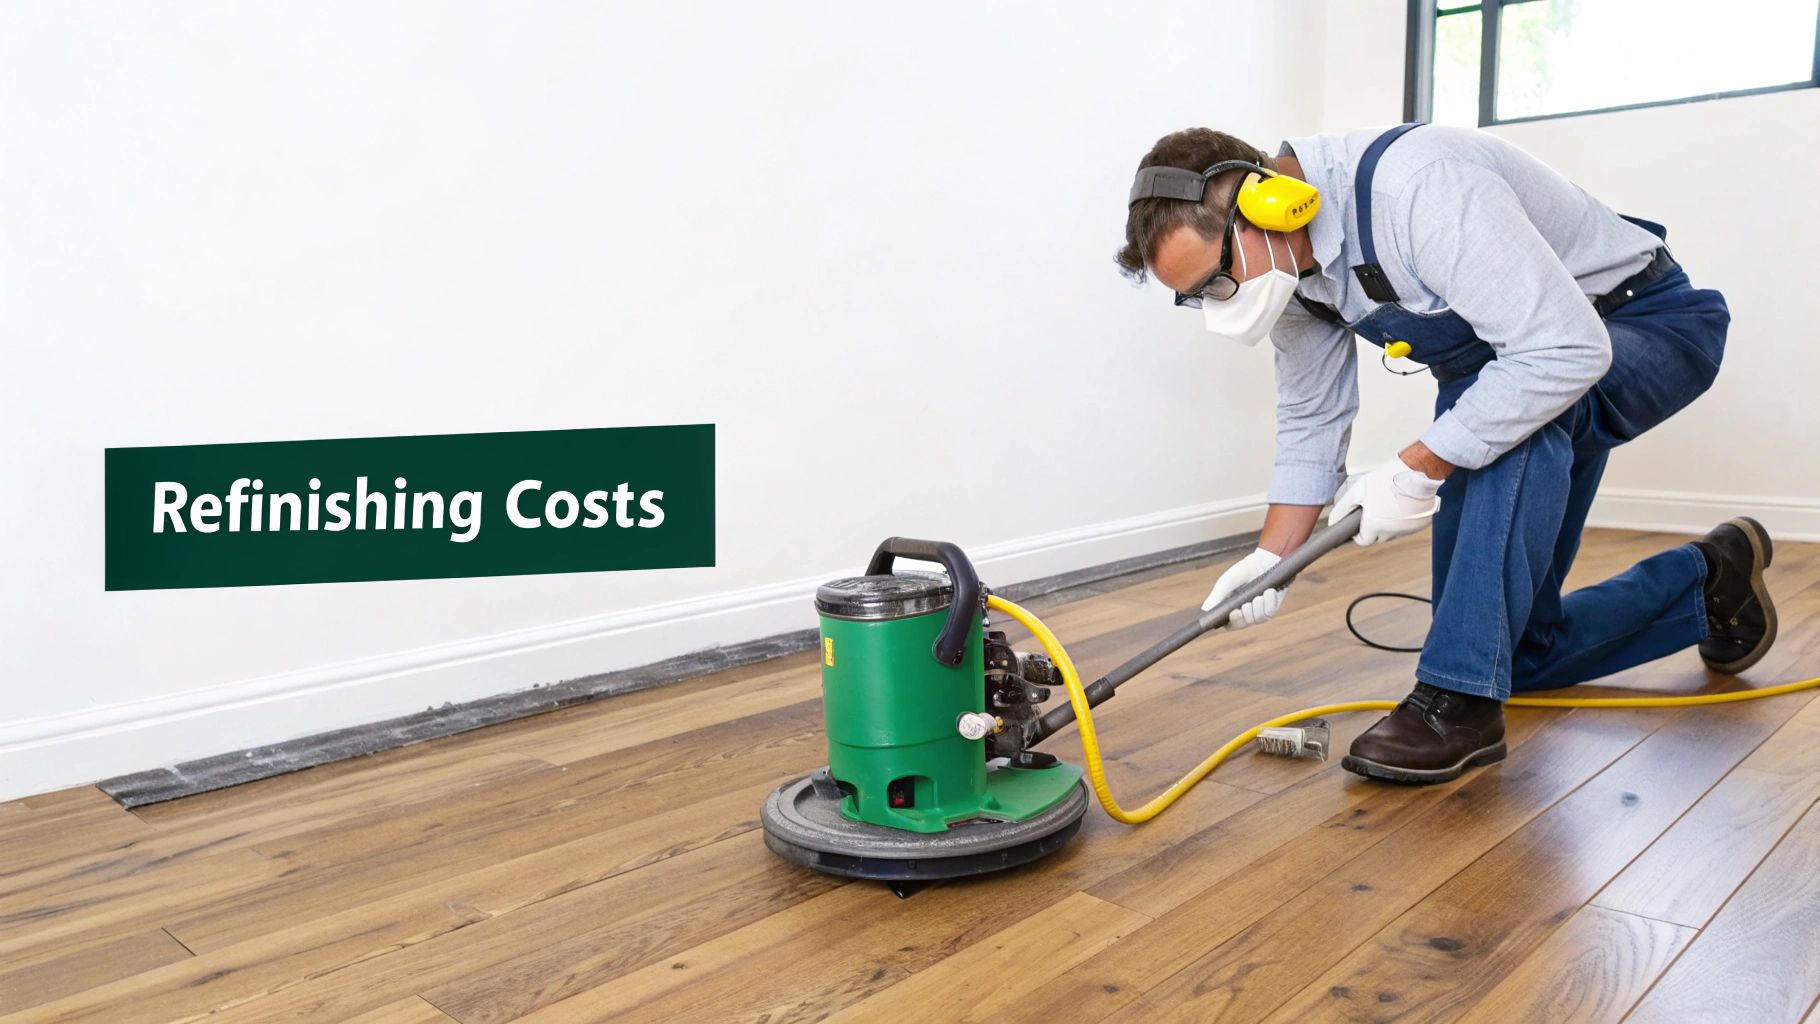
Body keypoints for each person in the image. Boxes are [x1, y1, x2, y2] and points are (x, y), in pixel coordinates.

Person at [1116, 122, 1777, 783]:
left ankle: (1455, 705)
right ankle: (1710, 579)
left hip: (1637, 324)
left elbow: (1563, 350)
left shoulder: (1418, 190)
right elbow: (1312, 417)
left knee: (1500, 448)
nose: (1216, 304)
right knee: (1512, 650)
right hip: (1515, 372)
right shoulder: (1289, 271)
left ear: (1264, 203)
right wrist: (1272, 559)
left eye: (1216, 280)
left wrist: (1414, 466)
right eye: (1196, 295)